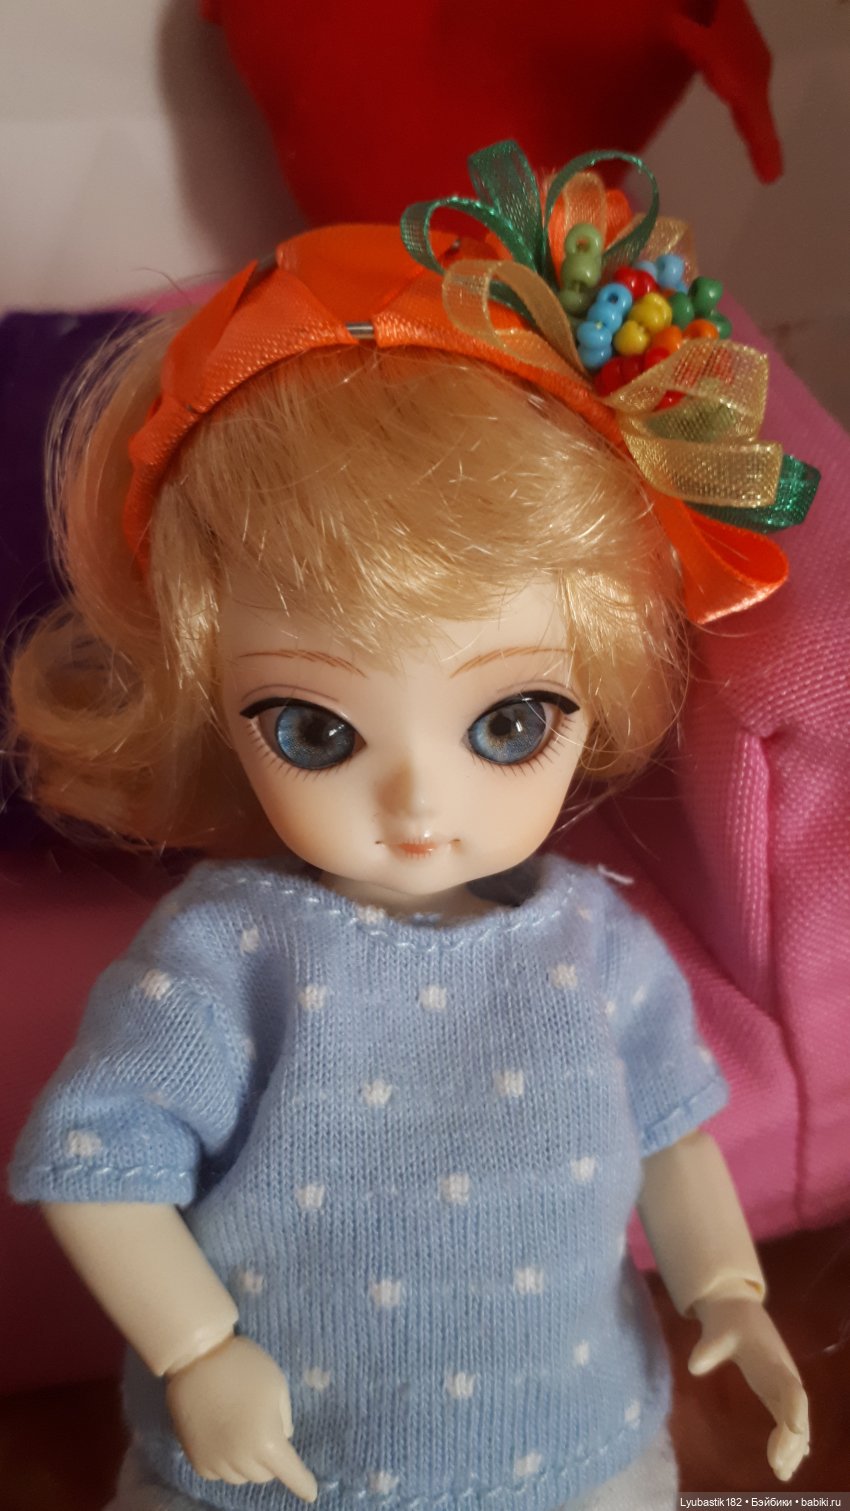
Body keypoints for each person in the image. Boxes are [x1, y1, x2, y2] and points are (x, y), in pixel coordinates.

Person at [8, 145, 816, 1510]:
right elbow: (100, 1167)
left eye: (509, 723)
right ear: (214, 713)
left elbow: (672, 1138)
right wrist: (198, 1351)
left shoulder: (597, 946)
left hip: (578, 1450)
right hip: (285, 1474)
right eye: (316, 732)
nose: (420, 804)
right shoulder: (227, 961)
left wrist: (729, 1291)